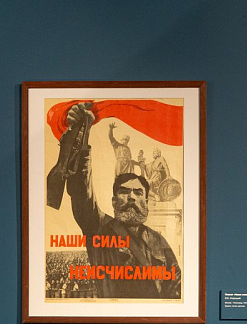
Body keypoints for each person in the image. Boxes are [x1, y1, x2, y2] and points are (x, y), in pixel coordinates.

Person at [66, 103, 181, 299]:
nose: (131, 197)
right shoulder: (99, 227)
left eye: (138, 192)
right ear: (113, 201)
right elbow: (81, 193)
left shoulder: (158, 240)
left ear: (146, 201)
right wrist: (80, 134)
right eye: (124, 192)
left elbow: (176, 287)